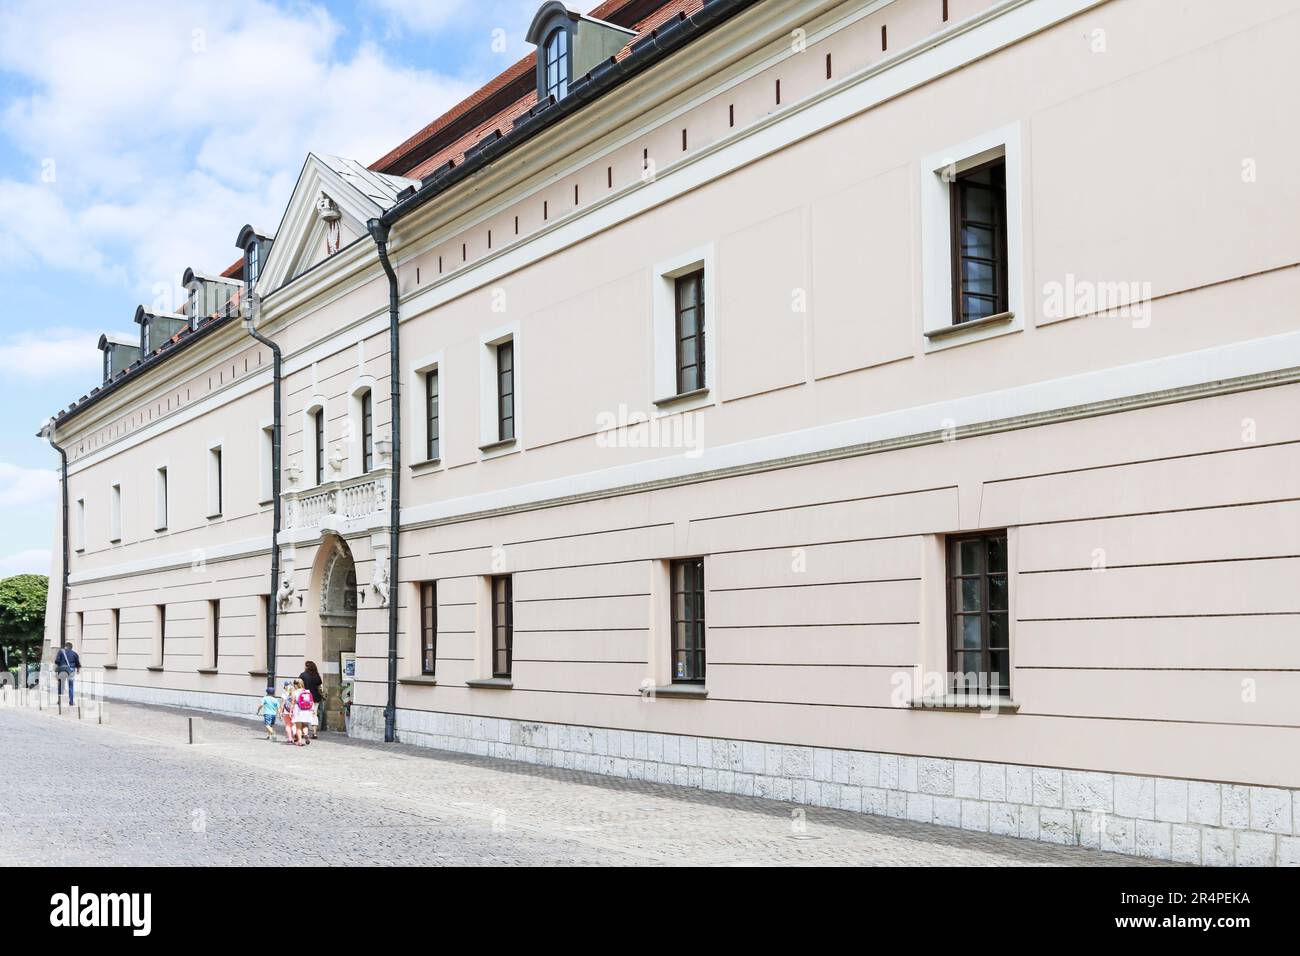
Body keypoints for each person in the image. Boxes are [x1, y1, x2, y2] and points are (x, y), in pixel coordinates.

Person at [300, 660, 325, 736]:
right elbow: (319, 686)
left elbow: (299, 685)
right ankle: (314, 732)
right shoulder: (317, 675)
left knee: (304, 714)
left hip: (306, 697)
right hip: (315, 697)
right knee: (314, 714)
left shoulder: (303, 675)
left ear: (307, 667)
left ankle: (303, 732)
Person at [291, 679, 316, 746]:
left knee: (298, 727)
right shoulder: (307, 691)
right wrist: (313, 710)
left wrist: (291, 711)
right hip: (307, 710)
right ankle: (306, 734)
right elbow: (311, 701)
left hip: (298, 710)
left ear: (296, 685)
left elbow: (293, 703)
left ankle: (299, 741)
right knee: (305, 725)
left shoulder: (295, 692)